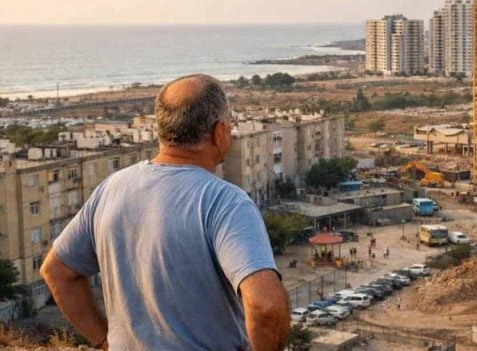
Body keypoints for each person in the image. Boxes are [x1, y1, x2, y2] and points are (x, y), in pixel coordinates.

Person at [40, 74, 290, 351]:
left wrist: (105, 341)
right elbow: (266, 305)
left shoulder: (112, 188)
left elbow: (56, 271)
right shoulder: (225, 202)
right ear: (219, 132)